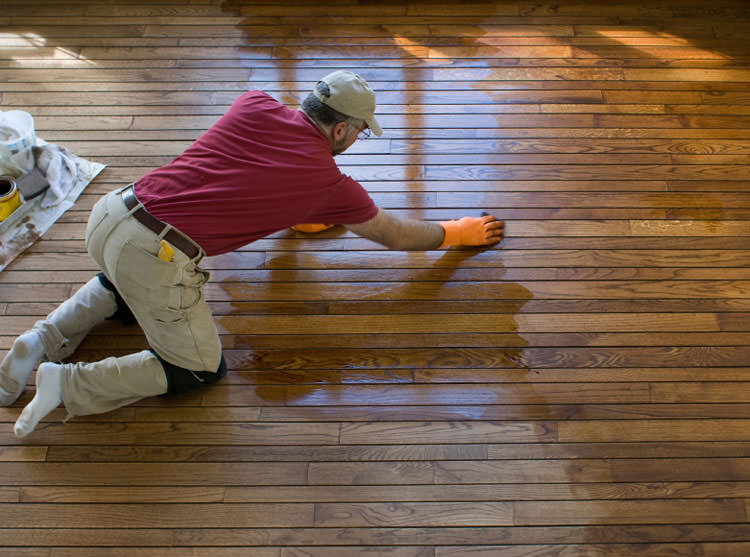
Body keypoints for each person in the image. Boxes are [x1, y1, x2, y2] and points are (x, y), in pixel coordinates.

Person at [0, 71, 504, 438]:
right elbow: (395, 236)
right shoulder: (329, 181)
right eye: (360, 132)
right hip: (155, 254)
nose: (356, 140)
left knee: (122, 284)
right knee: (197, 369)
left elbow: (245, 173)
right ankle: (65, 382)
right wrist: (455, 233)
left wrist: (300, 212)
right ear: (342, 131)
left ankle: (39, 339)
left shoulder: (253, 104)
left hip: (112, 214)